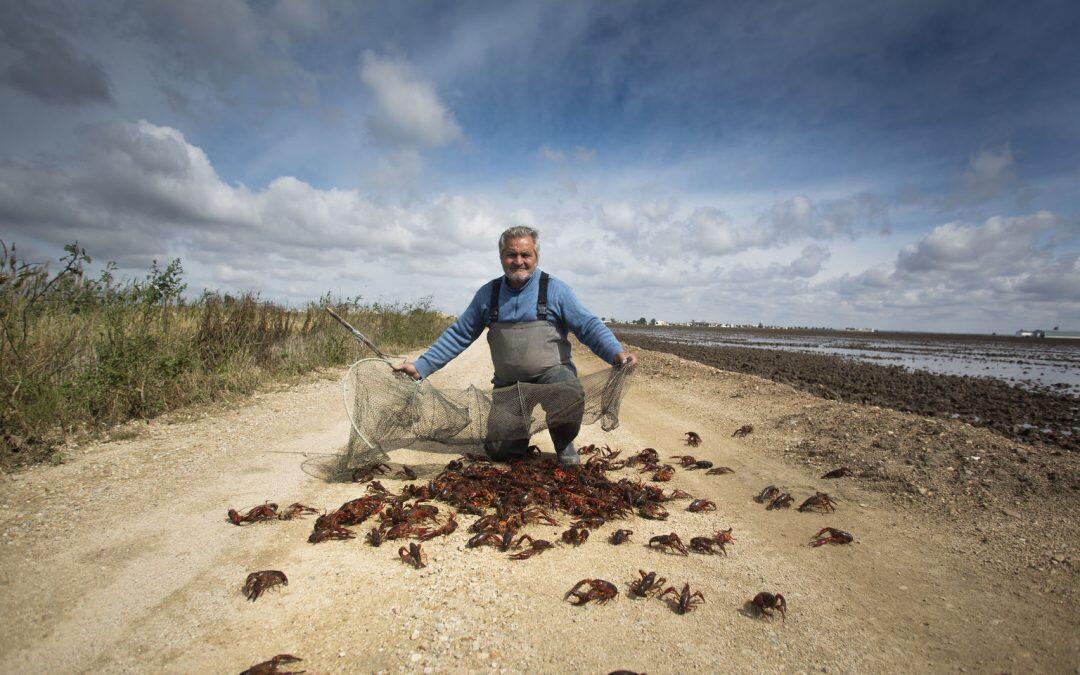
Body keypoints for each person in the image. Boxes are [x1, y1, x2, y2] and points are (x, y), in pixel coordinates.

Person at [393, 225, 637, 465]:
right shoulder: (488, 293)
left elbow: (589, 326)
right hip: (510, 386)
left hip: (552, 377)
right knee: (501, 454)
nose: (518, 261)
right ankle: (516, 434)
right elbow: (460, 333)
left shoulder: (556, 290)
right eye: (511, 254)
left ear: (536, 257)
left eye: (525, 254)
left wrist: (616, 353)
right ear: (501, 257)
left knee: (567, 392)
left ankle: (564, 442)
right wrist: (421, 366)